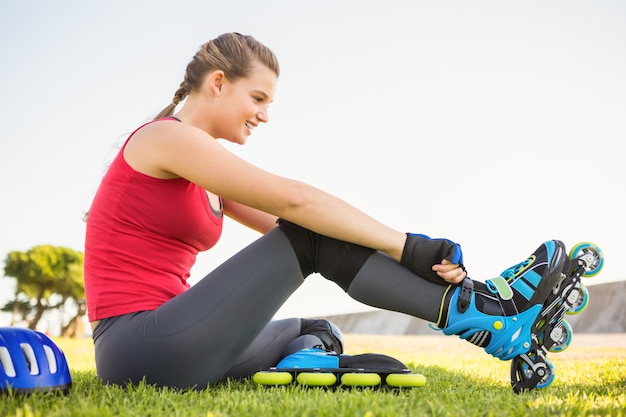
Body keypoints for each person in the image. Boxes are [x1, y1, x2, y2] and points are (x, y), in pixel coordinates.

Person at [84, 32, 568, 390]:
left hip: (179, 341)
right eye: (257, 98)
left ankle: (488, 308)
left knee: (317, 330)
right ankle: (488, 316)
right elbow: (298, 207)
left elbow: (319, 229)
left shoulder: (205, 168)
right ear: (217, 83)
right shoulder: (166, 138)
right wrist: (409, 245)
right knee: (309, 234)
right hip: (139, 346)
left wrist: (411, 258)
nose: (264, 115)